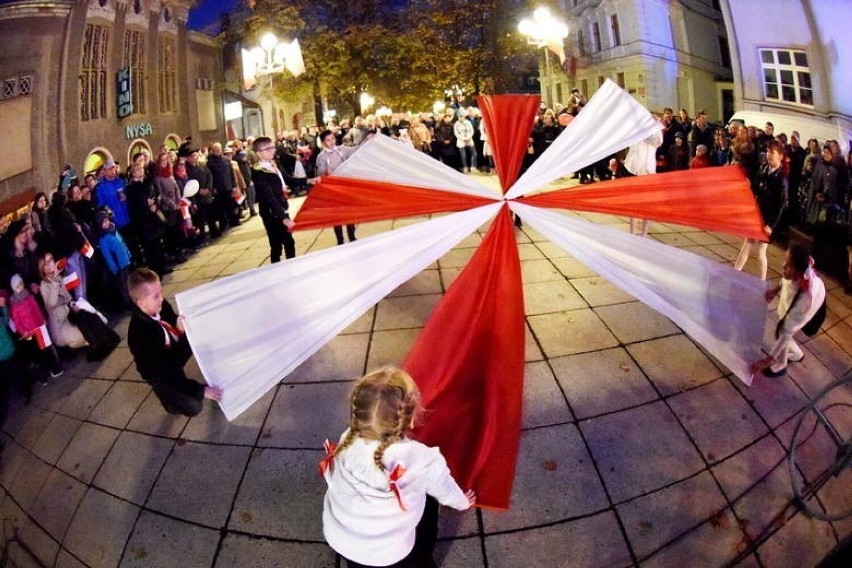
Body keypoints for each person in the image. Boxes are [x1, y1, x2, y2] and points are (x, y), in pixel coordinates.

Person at [321, 367, 475, 568]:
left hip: (342, 538)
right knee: (429, 504)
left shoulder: (346, 439)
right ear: (410, 419)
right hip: (393, 552)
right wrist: (462, 502)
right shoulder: (422, 460)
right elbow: (446, 490)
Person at [126, 268, 222, 416]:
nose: (162, 299)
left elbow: (173, 324)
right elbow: (164, 373)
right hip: (159, 372)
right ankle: (169, 402)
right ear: (141, 304)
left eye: (161, 292)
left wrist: (181, 327)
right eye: (156, 296)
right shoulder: (139, 335)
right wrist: (201, 390)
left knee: (198, 332)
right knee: (194, 406)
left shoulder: (161, 306)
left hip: (172, 353)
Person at [751, 244, 826, 378]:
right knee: (783, 320)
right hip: (797, 295)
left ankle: (781, 364)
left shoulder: (805, 300)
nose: (783, 265)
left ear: (799, 272)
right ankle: (797, 354)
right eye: (785, 260)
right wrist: (775, 291)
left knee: (784, 329)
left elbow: (786, 331)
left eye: (789, 264)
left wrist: (766, 360)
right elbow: (785, 280)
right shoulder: (792, 274)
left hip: (814, 301)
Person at [734, 140, 787, 280]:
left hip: (768, 220)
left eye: (773, 152)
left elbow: (781, 205)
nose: (769, 155)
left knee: (760, 252)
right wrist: (750, 185)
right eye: (768, 151)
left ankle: (762, 280)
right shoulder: (763, 169)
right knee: (747, 243)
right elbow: (757, 188)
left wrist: (771, 225)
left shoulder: (782, 178)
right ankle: (735, 271)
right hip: (757, 214)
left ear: (780, 156)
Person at [251, 137, 296, 263]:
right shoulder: (259, 172)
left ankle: (290, 269)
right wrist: (284, 218)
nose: (272, 151)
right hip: (271, 213)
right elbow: (269, 197)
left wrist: (308, 180)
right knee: (278, 245)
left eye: (272, 147)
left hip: (281, 208)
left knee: (287, 243)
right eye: (267, 149)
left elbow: (288, 179)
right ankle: (277, 271)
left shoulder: (273, 164)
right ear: (258, 153)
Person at [316, 129, 357, 245]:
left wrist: (367, 140)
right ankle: (340, 239)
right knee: (337, 214)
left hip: (346, 186)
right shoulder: (322, 157)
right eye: (328, 140)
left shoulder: (343, 150)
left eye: (332, 138)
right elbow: (320, 173)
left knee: (349, 212)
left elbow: (356, 150)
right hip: (332, 188)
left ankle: (352, 235)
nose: (332, 142)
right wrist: (325, 172)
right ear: (323, 143)